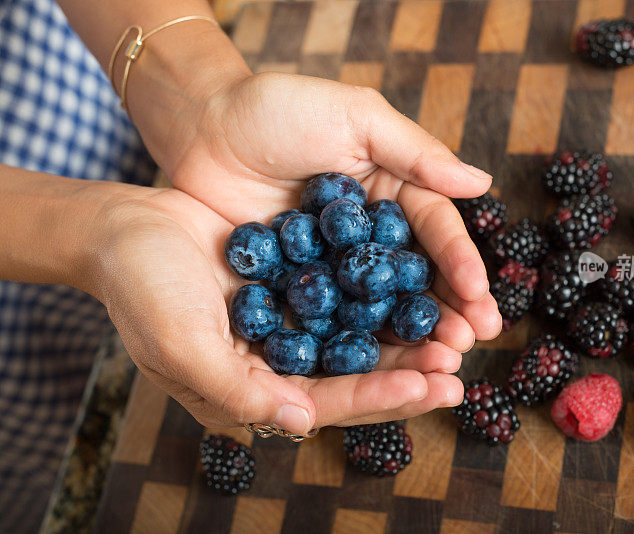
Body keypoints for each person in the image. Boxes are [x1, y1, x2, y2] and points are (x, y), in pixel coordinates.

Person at [0, 0, 502, 529]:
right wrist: (98, 235)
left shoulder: (337, 260)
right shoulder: (317, 274)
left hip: (80, 71)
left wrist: (202, 103)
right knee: (49, 439)